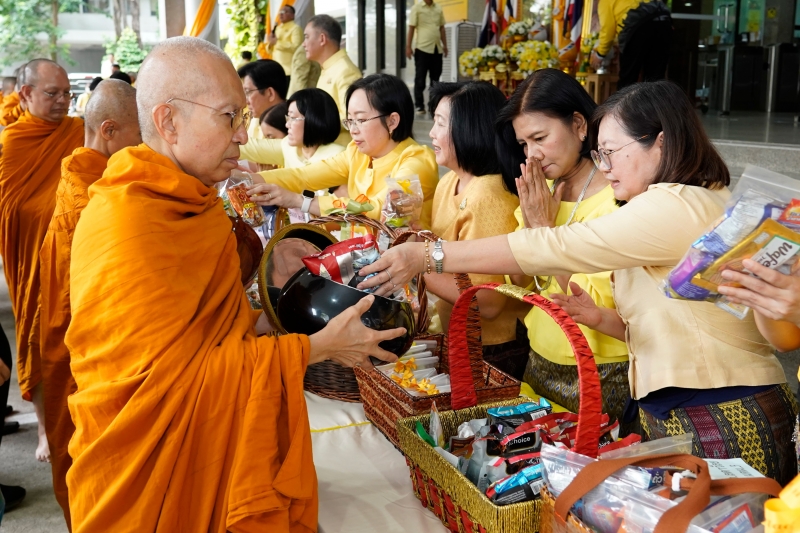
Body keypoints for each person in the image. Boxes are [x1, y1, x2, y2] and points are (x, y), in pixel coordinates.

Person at [359, 80, 798, 485]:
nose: (604, 166)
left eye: (610, 151)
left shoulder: (677, 202)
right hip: (674, 407)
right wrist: (599, 316)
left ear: (660, 142)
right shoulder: (657, 206)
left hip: (722, 407)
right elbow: (666, 322)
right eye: (600, 154)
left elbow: (563, 246)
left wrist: (430, 256)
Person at [65, 36, 402, 532]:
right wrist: (314, 350)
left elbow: (213, 324)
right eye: (229, 117)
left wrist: (271, 264)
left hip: (208, 444)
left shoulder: (193, 204)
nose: (243, 136)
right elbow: (171, 383)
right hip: (149, 470)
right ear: (167, 122)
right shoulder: (128, 222)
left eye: (244, 118)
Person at [495, 69, 629, 420]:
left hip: (598, 366)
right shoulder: (545, 192)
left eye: (540, 137)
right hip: (539, 353)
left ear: (580, 125)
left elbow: (593, 302)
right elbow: (523, 285)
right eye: (524, 145)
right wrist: (532, 227)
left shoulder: (616, 199)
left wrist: (542, 229)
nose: (533, 155)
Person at [38, 78, 141, 529]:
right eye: (141, 136)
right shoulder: (89, 195)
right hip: (83, 349)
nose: (147, 148)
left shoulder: (90, 178)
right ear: (111, 131)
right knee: (91, 461)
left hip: (83, 338)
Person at [0, 59, 84, 464]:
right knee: (36, 336)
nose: (62, 102)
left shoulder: (78, 132)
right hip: (31, 257)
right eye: (52, 94)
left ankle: (79, 419)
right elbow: (11, 205)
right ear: (26, 93)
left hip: (76, 254)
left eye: (67, 93)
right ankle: (47, 430)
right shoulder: (13, 142)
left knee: (76, 336)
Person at [425, 81, 528, 378]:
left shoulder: (488, 194)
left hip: (492, 348)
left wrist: (416, 268)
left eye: (440, 123)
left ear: (469, 129)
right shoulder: (450, 181)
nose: (431, 133)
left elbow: (488, 302)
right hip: (456, 335)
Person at [247, 73, 439, 225]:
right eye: (350, 120)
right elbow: (303, 176)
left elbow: (380, 208)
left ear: (392, 121)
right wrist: (246, 182)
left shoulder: (417, 160)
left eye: (361, 120)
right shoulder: (357, 153)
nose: (353, 130)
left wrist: (301, 201)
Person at [241, 88, 344, 168]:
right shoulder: (289, 148)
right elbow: (250, 147)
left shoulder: (338, 155)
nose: (287, 125)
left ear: (313, 120)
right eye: (288, 118)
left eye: (293, 118)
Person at [303, 14, 362, 143]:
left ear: (322, 39)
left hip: (341, 151)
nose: (303, 44)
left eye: (307, 37)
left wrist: (313, 122)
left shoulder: (346, 71)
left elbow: (352, 118)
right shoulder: (328, 67)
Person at [591, 0, 672, 88]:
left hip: (637, 27)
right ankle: (654, 101)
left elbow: (608, 31)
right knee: (655, 79)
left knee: (628, 80)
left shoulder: (605, 2)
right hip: (664, 22)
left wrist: (600, 54)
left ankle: (626, 101)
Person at [406, 0, 448, 115]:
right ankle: (419, 105)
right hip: (422, 49)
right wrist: (408, 47)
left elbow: (442, 29)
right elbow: (411, 28)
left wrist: (445, 46)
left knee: (435, 80)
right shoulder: (417, 8)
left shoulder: (438, 8)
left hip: (437, 49)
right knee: (420, 79)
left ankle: (433, 105)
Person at [237, 59, 288, 143]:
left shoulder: (290, 124)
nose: (246, 101)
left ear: (270, 93)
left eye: (248, 92)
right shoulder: (255, 119)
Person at [268, 5, 303, 85]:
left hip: (289, 71)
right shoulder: (277, 28)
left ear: (292, 15)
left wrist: (278, 42)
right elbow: (271, 50)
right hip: (276, 69)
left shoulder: (295, 28)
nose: (281, 14)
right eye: (280, 12)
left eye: (284, 12)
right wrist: (271, 43)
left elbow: (297, 47)